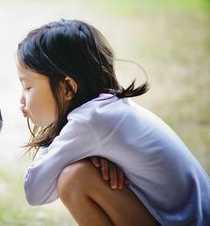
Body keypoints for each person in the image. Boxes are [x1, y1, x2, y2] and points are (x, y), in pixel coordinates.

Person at [16, 19, 210, 226]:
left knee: (74, 179)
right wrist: (89, 156)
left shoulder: (91, 121)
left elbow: (34, 191)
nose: (21, 99)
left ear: (68, 88)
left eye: (27, 87)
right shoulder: (107, 111)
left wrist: (64, 150)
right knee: (77, 174)